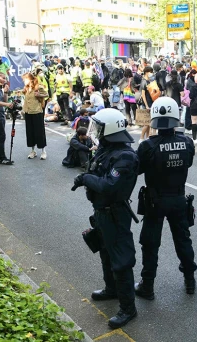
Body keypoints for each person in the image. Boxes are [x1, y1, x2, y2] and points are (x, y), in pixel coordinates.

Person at [72, 109, 139, 329]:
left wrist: (85, 178)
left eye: (100, 128)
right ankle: (112, 290)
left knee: (121, 260)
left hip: (115, 213)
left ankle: (128, 308)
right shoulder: (106, 149)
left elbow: (108, 185)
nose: (97, 132)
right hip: (101, 212)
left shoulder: (125, 156)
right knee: (105, 253)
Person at [135, 96, 197, 298]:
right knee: (183, 241)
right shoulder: (187, 142)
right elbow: (188, 164)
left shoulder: (147, 146)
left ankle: (148, 285)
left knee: (151, 244)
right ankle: (190, 281)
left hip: (155, 201)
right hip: (178, 198)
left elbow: (137, 169)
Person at [22, 72, 48, 160]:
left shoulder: (38, 87)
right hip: (28, 112)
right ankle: (33, 151)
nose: (24, 81)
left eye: (25, 79)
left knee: (39, 132)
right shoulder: (26, 88)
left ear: (30, 79)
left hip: (37, 112)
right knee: (30, 132)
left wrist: (39, 95)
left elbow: (47, 94)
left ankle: (43, 151)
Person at [0, 72, 14, 165]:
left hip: (0, 114)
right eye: (3, 78)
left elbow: (4, 100)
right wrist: (6, 104)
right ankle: (2, 158)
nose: (5, 80)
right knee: (1, 136)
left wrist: (5, 92)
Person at [139, 66, 156, 142]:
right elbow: (143, 95)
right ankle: (141, 138)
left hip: (151, 103)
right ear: (146, 72)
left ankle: (148, 138)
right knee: (146, 123)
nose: (151, 73)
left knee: (149, 124)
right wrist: (146, 105)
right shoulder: (144, 81)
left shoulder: (150, 81)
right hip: (146, 104)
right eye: (150, 72)